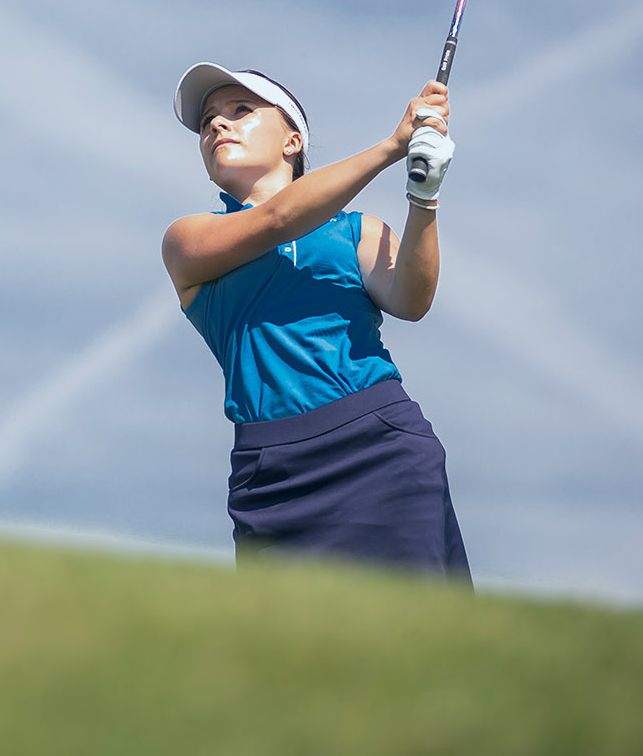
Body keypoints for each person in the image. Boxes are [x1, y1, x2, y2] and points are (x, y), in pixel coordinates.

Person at [162, 63, 467, 580]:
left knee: (418, 645)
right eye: (209, 119)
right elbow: (277, 220)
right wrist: (393, 147)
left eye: (241, 111)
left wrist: (424, 196)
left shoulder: (355, 230)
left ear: (292, 141)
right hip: (269, 473)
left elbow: (412, 299)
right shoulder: (188, 239)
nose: (218, 125)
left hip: (380, 447)